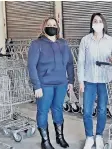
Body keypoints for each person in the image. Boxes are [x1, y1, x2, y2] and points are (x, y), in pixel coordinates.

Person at [28, 17, 74, 149]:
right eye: (49, 25)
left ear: (58, 27)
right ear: (44, 27)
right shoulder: (37, 44)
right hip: (44, 85)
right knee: (42, 111)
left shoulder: (63, 44)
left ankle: (60, 137)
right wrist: (37, 86)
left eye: (54, 25)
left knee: (58, 109)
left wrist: (70, 81)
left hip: (61, 84)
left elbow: (70, 64)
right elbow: (31, 66)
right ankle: (45, 141)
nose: (52, 27)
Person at [77, 13, 112, 149]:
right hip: (89, 80)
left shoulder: (111, 40)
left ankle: (99, 135)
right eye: (95, 21)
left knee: (102, 109)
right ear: (91, 24)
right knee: (87, 111)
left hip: (104, 80)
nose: (97, 23)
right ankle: (89, 137)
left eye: (100, 21)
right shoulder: (85, 40)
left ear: (103, 23)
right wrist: (81, 81)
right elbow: (81, 62)